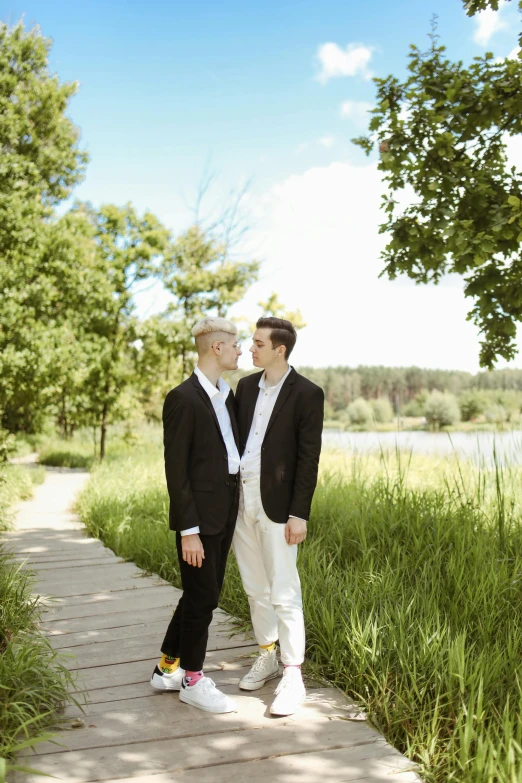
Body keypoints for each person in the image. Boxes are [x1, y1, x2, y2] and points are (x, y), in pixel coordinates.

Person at [150, 317, 242, 714]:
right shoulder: (182, 398)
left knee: (200, 594)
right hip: (198, 521)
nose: (241, 351)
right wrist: (188, 531)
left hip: (225, 514)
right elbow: (177, 471)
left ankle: (165, 668)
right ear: (216, 348)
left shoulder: (228, 395)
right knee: (204, 597)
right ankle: (192, 678)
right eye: (236, 344)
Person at [233, 317, 324, 716]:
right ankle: (267, 655)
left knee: (285, 591)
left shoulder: (307, 393)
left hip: (278, 506)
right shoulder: (245, 387)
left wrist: (298, 513)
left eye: (257, 343)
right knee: (255, 588)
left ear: (279, 349)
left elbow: (308, 459)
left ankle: (293, 673)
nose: (250, 349)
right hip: (240, 501)